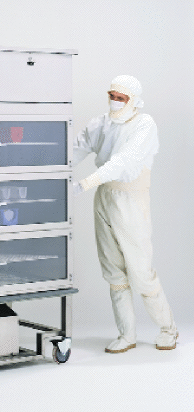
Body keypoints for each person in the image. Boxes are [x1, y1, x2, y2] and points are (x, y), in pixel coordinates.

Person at [73, 75, 178, 353]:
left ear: (133, 100)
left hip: (131, 199)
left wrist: (84, 184)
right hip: (104, 196)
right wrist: (50, 169)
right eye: (112, 95)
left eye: (121, 98)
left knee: (141, 271)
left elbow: (123, 162)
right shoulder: (102, 123)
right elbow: (76, 148)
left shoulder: (144, 124)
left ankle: (168, 329)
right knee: (113, 270)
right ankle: (126, 334)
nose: (115, 101)